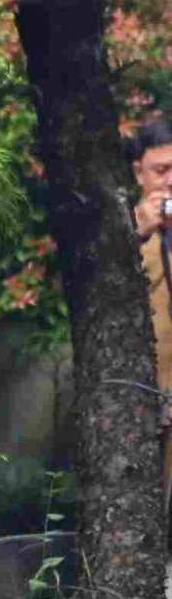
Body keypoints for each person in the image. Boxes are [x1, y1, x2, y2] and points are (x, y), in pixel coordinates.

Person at [130, 117, 172, 492]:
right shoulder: (122, 230)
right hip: (146, 394)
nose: (171, 181)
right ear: (139, 173)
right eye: (161, 171)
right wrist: (138, 232)